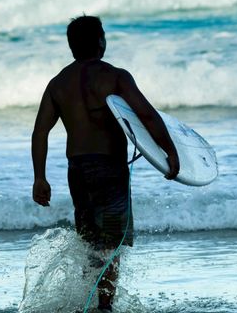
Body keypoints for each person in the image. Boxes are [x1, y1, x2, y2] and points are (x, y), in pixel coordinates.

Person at [31, 15, 179, 312]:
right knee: (111, 243)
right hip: (109, 170)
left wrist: (40, 178)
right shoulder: (114, 76)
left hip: (77, 170)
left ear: (72, 46)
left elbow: (40, 132)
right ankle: (104, 307)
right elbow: (147, 115)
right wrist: (171, 153)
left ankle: (87, 300)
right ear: (101, 41)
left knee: (89, 240)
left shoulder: (58, 83)